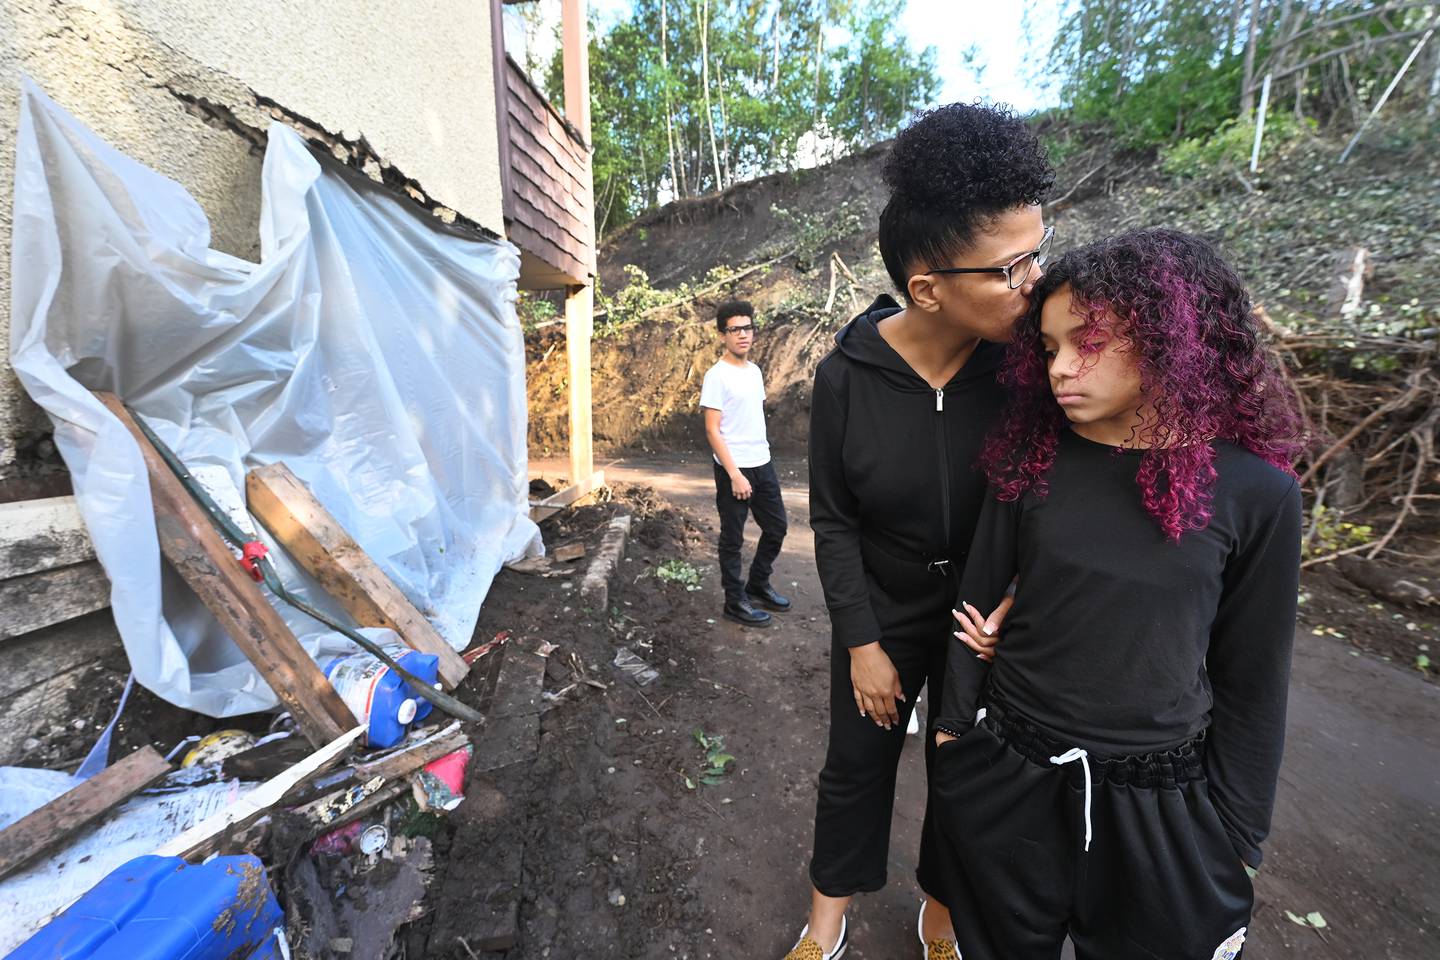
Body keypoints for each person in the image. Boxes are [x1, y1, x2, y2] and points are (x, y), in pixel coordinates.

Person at [932, 229, 1305, 960]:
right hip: (1009, 775)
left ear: (1171, 337)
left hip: (1163, 801)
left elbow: (1255, 677)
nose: (1062, 369)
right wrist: (953, 749)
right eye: (1048, 348)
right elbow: (974, 608)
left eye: (1089, 341)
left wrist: (1237, 836)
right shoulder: (1033, 461)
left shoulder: (1259, 492)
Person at [786, 103, 1055, 960]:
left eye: (1037, 255)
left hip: (979, 612)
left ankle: (939, 914)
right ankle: (826, 922)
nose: (1034, 285)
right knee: (857, 761)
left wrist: (1015, 595)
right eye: (1011, 269)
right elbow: (830, 518)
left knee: (964, 769)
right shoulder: (846, 379)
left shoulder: (1026, 372)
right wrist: (861, 640)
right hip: (884, 601)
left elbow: (1045, 498)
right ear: (929, 285)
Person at [701, 300, 791, 627]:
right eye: (735, 329)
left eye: (747, 328)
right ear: (723, 335)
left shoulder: (755, 372)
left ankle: (758, 584)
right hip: (732, 469)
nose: (743, 335)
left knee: (777, 527)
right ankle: (734, 600)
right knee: (733, 538)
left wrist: (757, 463)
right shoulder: (717, 376)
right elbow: (712, 430)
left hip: (762, 463)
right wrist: (735, 474)